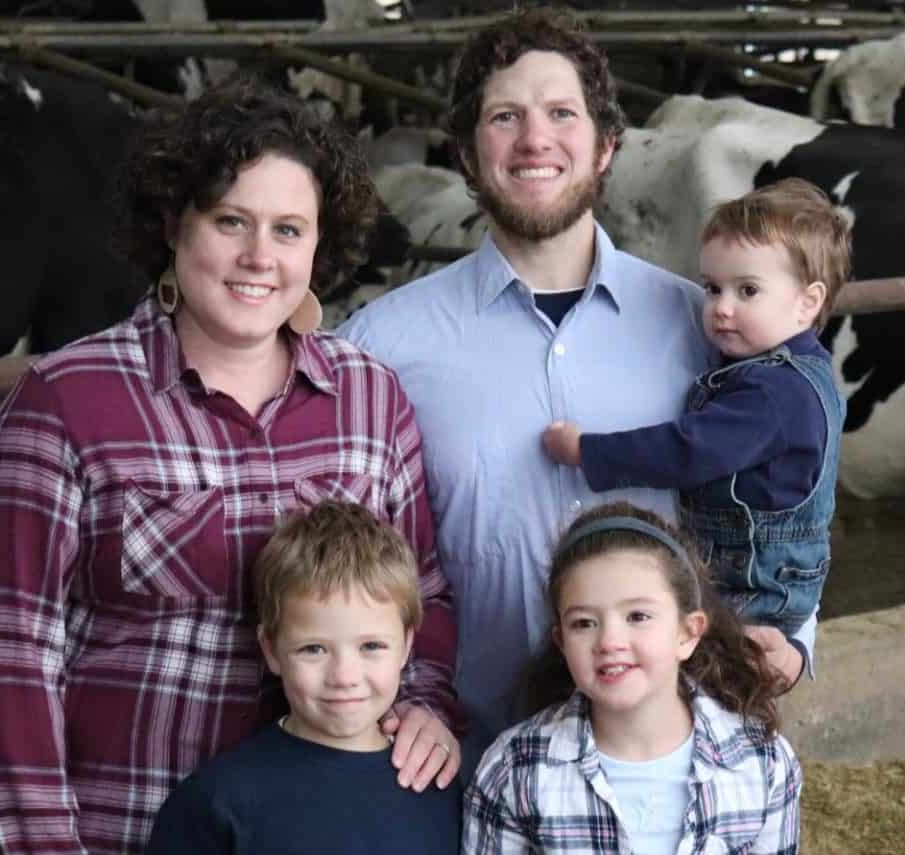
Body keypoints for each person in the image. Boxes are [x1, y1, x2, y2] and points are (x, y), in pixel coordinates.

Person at [0, 77, 462, 855]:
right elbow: (8, 654)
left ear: (319, 246)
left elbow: (421, 591)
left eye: (290, 230)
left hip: (305, 833)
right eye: (232, 221)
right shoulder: (65, 400)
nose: (260, 257)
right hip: (114, 830)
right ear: (173, 223)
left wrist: (426, 702)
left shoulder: (368, 397)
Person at [337, 7, 814, 743]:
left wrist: (794, 632)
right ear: (466, 154)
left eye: (562, 113)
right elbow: (353, 558)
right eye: (505, 117)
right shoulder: (381, 345)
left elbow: (794, 473)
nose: (535, 139)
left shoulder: (704, 328)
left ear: (605, 148)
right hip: (462, 753)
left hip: (670, 748)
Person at [540, 179, 850, 638]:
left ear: (808, 303)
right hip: (764, 581)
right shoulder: (795, 373)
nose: (721, 308)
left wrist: (588, 451)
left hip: (750, 591)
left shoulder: (773, 394)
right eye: (712, 288)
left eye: (747, 291)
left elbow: (687, 451)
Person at [463, 502, 802, 854]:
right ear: (562, 642)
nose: (610, 641)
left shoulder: (763, 764)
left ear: (687, 633)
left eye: (638, 616)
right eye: (583, 623)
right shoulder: (513, 769)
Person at [145, 501, 462, 855]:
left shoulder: (438, 785)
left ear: (406, 646)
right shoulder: (217, 802)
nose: (344, 676)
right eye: (313, 649)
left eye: (371, 646)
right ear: (271, 649)